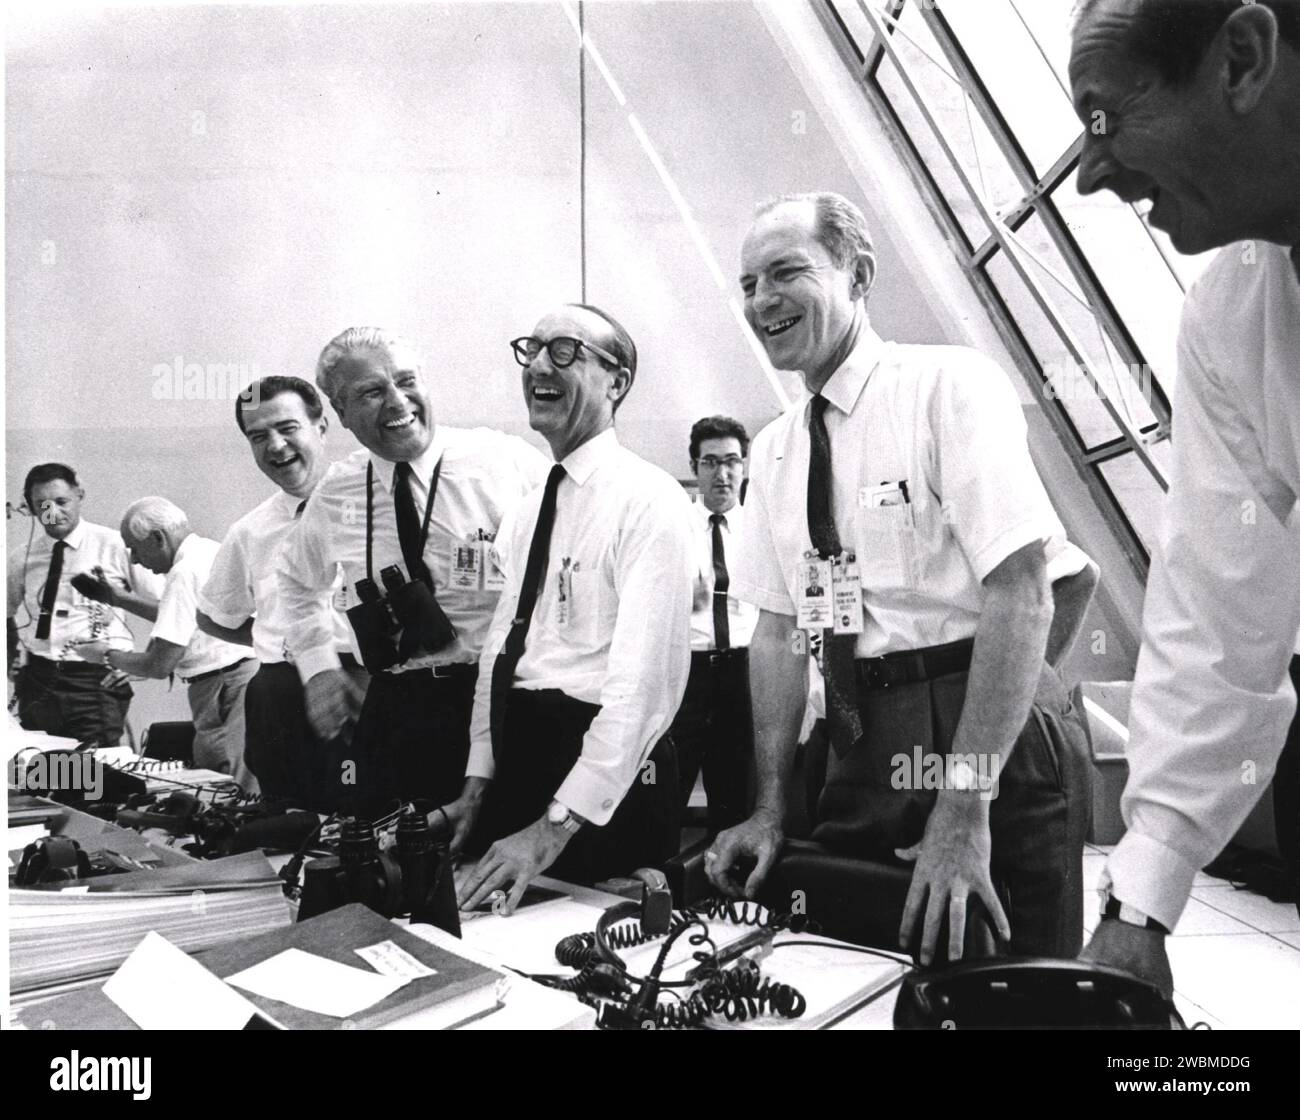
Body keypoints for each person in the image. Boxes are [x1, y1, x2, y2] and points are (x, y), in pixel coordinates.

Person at [705, 192, 1094, 964]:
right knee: (869, 963)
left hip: (981, 734)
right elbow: (779, 634)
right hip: (859, 737)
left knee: (1009, 978)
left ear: (859, 275)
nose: (762, 300)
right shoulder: (776, 451)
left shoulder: (946, 388)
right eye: (748, 284)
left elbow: (1029, 589)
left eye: (786, 272)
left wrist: (968, 793)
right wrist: (771, 806)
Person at [1068, 0, 1300, 988]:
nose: (1088, 173)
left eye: (1105, 117)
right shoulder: (1234, 308)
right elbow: (1218, 608)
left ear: (1241, 60)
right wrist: (1140, 903)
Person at [447, 305, 695, 912]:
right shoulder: (528, 510)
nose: (537, 364)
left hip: (604, 782)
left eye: (565, 351)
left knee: (590, 965)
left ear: (617, 383)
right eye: (530, 349)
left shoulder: (650, 500)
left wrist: (552, 829)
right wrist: (478, 781)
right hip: (522, 758)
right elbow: (501, 652)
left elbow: (642, 688)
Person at [278, 328, 548, 816]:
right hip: (397, 706)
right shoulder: (338, 492)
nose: (397, 402)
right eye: (372, 392)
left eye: (406, 381)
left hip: (499, 698)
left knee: (499, 856)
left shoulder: (503, 462)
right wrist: (318, 669)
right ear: (339, 412)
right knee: (388, 850)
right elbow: (297, 583)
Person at [196, 376, 367, 810]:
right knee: (286, 820)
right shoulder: (250, 530)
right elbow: (213, 615)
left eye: (287, 428)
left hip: (360, 685)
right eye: (258, 436)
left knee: (366, 813)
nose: (275, 446)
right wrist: (274, 640)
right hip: (281, 696)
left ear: (321, 427)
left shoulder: (373, 505)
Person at [78, 497, 258, 786]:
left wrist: (106, 655)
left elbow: (159, 664)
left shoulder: (183, 573)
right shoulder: (210, 552)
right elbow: (185, 617)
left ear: (158, 538)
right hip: (246, 680)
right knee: (240, 782)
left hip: (225, 689)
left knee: (229, 788)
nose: (135, 560)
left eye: (134, 549)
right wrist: (116, 598)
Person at [7, 463, 160, 747]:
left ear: (80, 495)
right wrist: (9, 660)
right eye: (42, 505)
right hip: (38, 680)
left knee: (95, 775)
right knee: (47, 773)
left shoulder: (115, 545)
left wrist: (140, 664)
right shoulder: (22, 558)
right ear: (30, 507)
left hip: (94, 681)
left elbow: (164, 609)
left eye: (61, 502)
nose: (53, 513)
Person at [672, 416, 760, 835]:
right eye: (710, 462)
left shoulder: (764, 530)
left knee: (737, 794)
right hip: (688, 671)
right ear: (694, 468)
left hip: (744, 671)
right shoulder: (671, 530)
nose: (722, 474)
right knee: (668, 788)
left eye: (731, 462)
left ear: (744, 466)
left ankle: (731, 892)